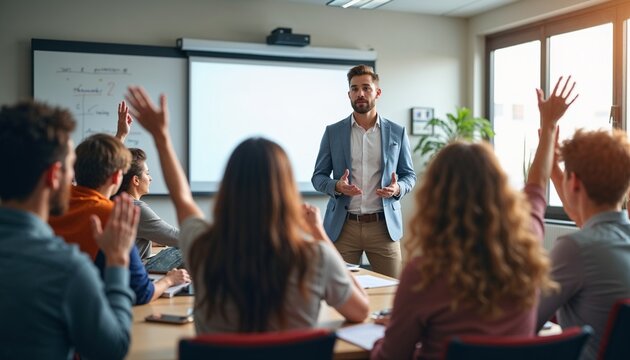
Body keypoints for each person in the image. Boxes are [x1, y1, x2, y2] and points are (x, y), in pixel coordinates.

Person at [125, 86, 369, 333]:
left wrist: (162, 137)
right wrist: (320, 235)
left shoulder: (203, 247)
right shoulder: (316, 257)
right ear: (286, 192)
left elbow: (181, 198)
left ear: (228, 188)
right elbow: (361, 311)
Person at [370, 77, 577, 360]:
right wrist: (549, 125)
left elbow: (390, 358)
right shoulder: (525, 246)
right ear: (499, 192)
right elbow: (537, 188)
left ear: (435, 200)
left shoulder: (423, 275)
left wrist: (387, 337)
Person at [0, 100, 138, 359]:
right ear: (54, 175)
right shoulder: (66, 269)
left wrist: (119, 137)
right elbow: (112, 349)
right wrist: (118, 261)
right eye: (71, 167)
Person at [49, 133, 189, 304]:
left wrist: (121, 134)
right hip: (95, 301)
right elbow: (141, 293)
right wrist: (169, 280)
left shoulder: (57, 203)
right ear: (118, 176)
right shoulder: (113, 214)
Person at [311, 64, 416, 278]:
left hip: (384, 228)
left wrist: (397, 189)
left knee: (391, 294)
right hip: (343, 228)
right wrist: (337, 186)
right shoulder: (333, 132)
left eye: (366, 88)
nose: (360, 93)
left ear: (377, 92)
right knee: (339, 294)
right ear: (348, 93)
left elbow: (409, 176)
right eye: (354, 88)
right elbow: (318, 177)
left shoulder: (397, 132)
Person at [537, 129, 630, 360]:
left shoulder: (577, 249)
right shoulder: (610, 240)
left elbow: (522, 323)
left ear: (575, 182)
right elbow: (582, 215)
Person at [115, 147, 179, 260]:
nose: (150, 178)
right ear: (136, 180)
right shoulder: (136, 208)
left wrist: (150, 240)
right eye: (147, 173)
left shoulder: (115, 200)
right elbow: (174, 237)